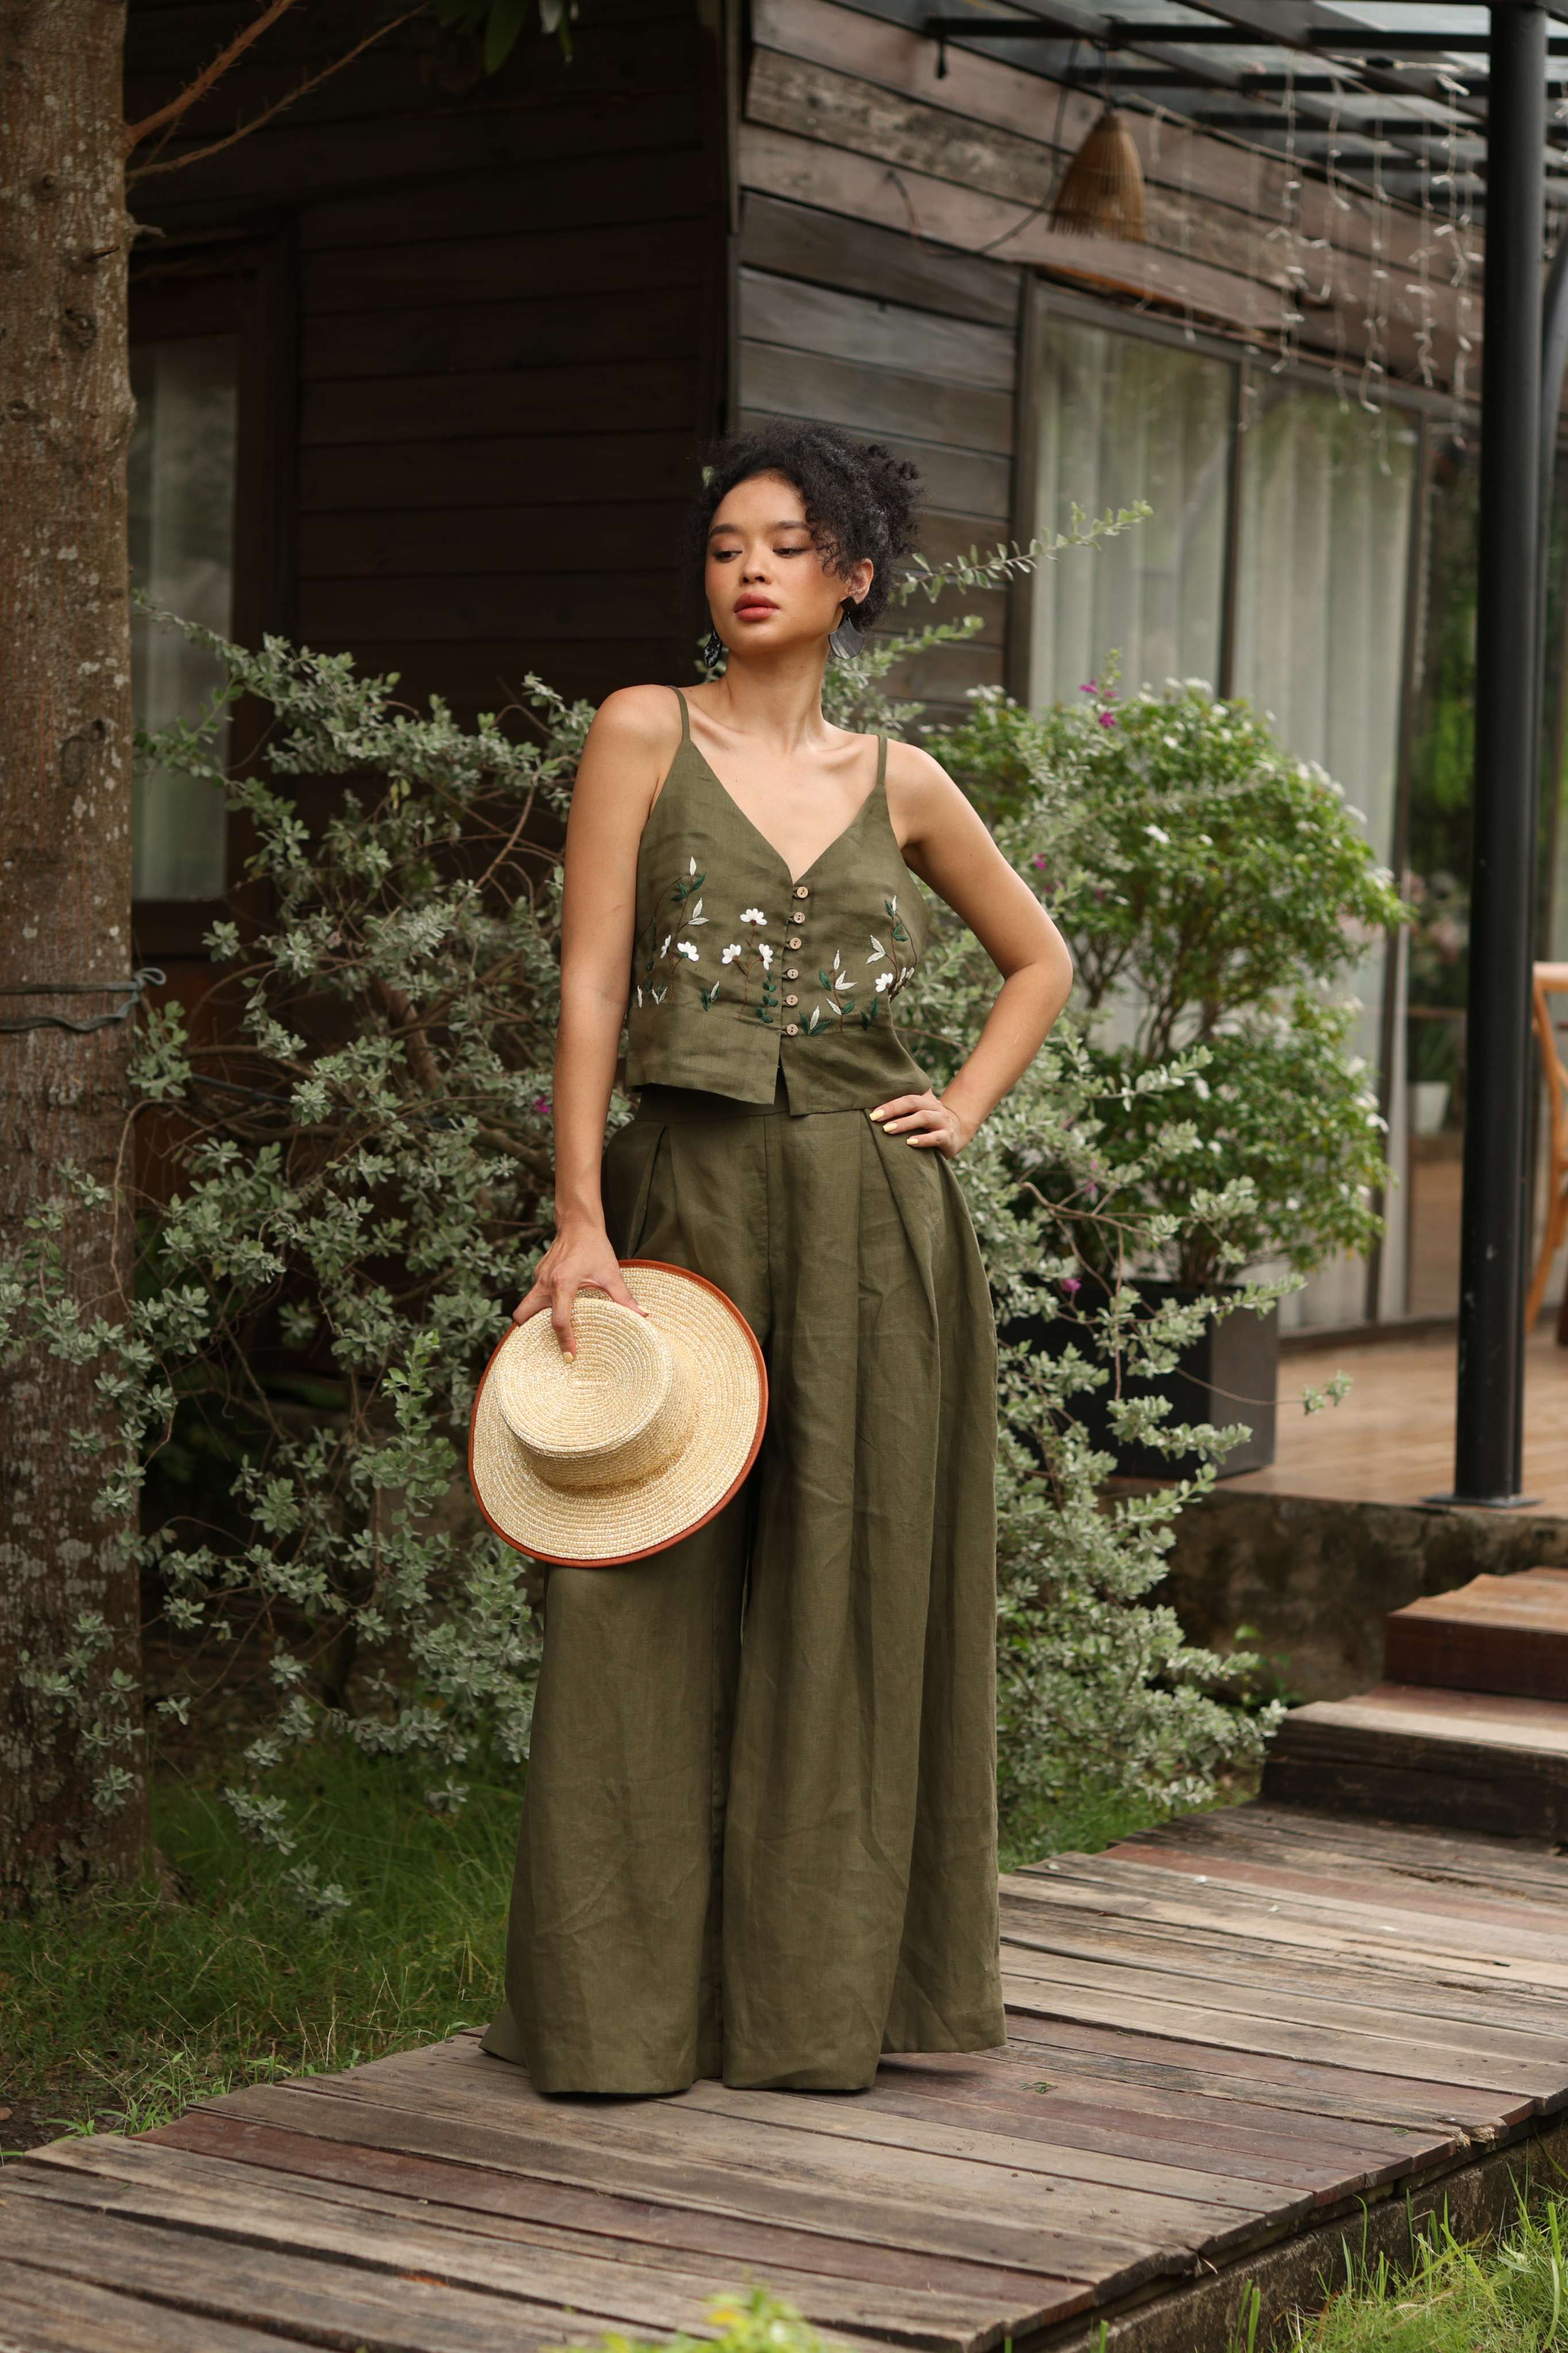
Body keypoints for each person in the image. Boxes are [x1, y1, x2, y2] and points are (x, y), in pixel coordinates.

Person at [480, 420, 1073, 2094]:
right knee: (640, 1588)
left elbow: (1036, 960)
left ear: (853, 579)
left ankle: (816, 2017)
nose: (745, 570)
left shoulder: (903, 781)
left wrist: (957, 1104)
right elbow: (589, 987)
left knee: (853, 1594)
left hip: (876, 1231)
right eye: (726, 544)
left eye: (783, 546)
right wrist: (578, 1213)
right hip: (685, 1208)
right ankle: (610, 2025)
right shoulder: (639, 733)